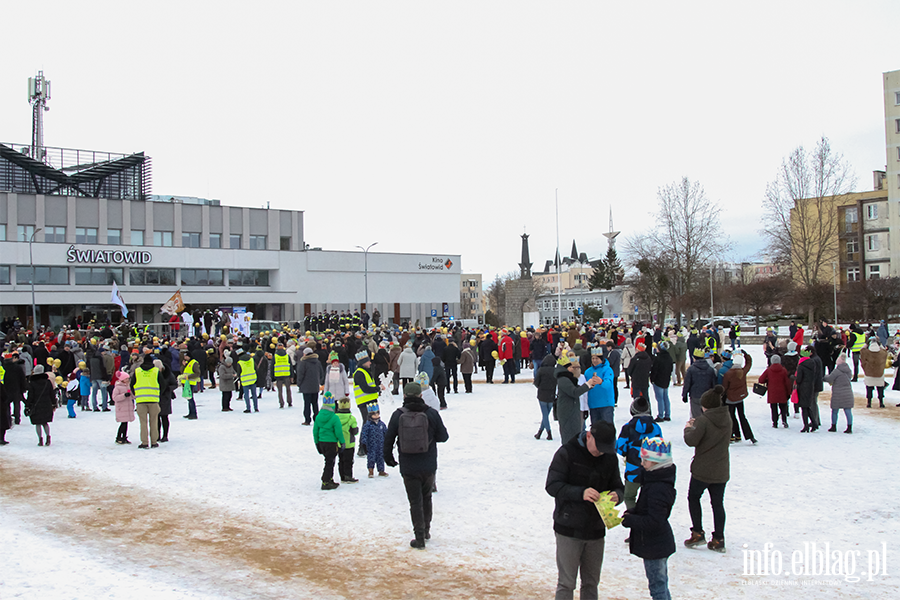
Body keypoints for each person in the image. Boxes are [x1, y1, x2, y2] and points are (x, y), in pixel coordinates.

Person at [545, 420, 624, 600]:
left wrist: (617, 495)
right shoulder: (567, 453)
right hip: (568, 529)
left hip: (596, 530)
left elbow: (619, 486)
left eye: (606, 448)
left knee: (591, 583)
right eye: (599, 447)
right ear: (589, 436)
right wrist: (580, 493)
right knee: (566, 583)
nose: (601, 452)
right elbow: (552, 485)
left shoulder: (609, 457)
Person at [383, 382, 449, 549]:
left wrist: (388, 458)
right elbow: (443, 437)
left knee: (414, 501)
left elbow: (389, 439)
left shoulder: (398, 415)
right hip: (428, 464)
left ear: (404, 396)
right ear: (421, 395)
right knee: (426, 497)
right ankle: (426, 530)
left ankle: (418, 537)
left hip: (408, 465)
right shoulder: (431, 413)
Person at [622, 437, 676, 600]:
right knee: (660, 584)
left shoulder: (657, 487)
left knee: (657, 586)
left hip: (655, 545)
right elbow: (651, 510)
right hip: (656, 543)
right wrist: (634, 512)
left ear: (654, 462)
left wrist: (631, 521)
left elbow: (654, 520)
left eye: (645, 460)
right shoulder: (656, 481)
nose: (642, 463)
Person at [683, 384, 731, 552]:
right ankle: (719, 538)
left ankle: (697, 532)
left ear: (706, 406)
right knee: (718, 503)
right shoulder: (726, 417)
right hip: (721, 468)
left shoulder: (703, 421)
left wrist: (688, 428)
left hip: (703, 469)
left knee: (693, 498)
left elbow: (691, 441)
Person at [615, 395, 662, 513]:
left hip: (633, 470)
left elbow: (620, 449)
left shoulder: (627, 428)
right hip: (652, 470)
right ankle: (648, 518)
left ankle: (634, 517)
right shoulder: (656, 427)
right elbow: (660, 450)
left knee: (629, 496)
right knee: (650, 497)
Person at [555, 353, 599, 445]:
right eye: (573, 367)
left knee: (576, 434)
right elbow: (574, 392)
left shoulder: (569, 378)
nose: (575, 369)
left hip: (573, 410)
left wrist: (589, 385)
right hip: (568, 412)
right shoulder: (563, 379)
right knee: (569, 437)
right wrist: (587, 384)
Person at [130, 354, 165, 449]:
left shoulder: (137, 371)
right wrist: (158, 394)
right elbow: (163, 384)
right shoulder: (156, 371)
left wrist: (136, 394)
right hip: (153, 400)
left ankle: (144, 442)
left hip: (141, 400)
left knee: (143, 423)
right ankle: (154, 441)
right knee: (154, 422)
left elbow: (132, 384)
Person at [312, 392, 345, 490]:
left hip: (322, 442)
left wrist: (317, 443)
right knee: (330, 462)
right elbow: (338, 431)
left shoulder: (318, 417)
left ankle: (329, 479)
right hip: (331, 443)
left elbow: (315, 431)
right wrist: (342, 442)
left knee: (328, 461)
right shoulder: (334, 417)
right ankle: (326, 481)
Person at [721, 351, 755, 444]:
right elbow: (749, 363)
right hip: (740, 398)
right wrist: (746, 355)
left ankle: (732, 435)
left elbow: (725, 386)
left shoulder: (728, 374)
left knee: (731, 417)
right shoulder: (743, 372)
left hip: (730, 398)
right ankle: (750, 436)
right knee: (742, 417)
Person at [25, 365, 56, 446]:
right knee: (45, 423)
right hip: (47, 404)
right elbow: (52, 394)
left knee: (38, 423)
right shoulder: (47, 382)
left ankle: (40, 440)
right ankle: (48, 437)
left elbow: (30, 396)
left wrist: (27, 405)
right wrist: (54, 403)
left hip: (36, 405)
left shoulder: (32, 383)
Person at [584, 347, 615, 425]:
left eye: (597, 358)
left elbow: (608, 384)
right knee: (596, 430)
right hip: (593, 404)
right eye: (593, 358)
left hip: (606, 404)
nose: (594, 360)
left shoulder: (607, 370)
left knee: (607, 428)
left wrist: (601, 382)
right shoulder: (588, 372)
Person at [682, 349, 716, 419]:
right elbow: (714, 383)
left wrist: (684, 394)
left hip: (695, 395)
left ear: (694, 358)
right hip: (707, 396)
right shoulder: (710, 369)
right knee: (707, 416)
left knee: (696, 416)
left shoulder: (691, 369)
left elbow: (687, 383)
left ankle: (697, 429)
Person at [759, 354, 790, 428]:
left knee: (773, 408)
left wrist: (767, 380)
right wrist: (789, 392)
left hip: (772, 392)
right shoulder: (783, 370)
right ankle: (784, 420)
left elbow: (761, 380)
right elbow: (787, 382)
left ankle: (775, 423)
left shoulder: (769, 370)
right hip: (782, 392)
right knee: (783, 407)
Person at [824, 354, 854, 433]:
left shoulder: (836, 371)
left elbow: (830, 378)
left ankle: (833, 426)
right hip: (848, 393)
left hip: (837, 393)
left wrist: (823, 377)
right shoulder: (848, 370)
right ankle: (849, 427)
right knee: (848, 410)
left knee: (834, 410)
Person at [359, 402, 389, 478]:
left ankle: (381, 470)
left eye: (377, 414)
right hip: (371, 445)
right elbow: (364, 433)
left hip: (380, 444)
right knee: (371, 458)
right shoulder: (368, 425)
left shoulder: (381, 424)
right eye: (374, 414)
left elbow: (386, 432)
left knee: (380, 458)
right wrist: (364, 443)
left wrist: (388, 440)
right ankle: (371, 470)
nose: (376, 416)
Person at [297, 347, 325, 425]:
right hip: (315, 386)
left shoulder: (304, 362)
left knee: (307, 404)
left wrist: (299, 383)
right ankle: (317, 418)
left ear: (305, 354)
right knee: (315, 403)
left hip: (306, 387)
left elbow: (300, 374)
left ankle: (307, 420)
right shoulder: (317, 362)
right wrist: (320, 382)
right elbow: (321, 373)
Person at [335, 397, 359, 483]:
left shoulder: (335, 417)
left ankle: (342, 476)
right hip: (349, 443)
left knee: (341, 460)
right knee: (349, 460)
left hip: (338, 443)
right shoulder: (351, 418)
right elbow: (355, 431)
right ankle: (348, 476)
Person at [533, 355, 557, 440]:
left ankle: (548, 433)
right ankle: (539, 433)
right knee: (546, 415)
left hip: (542, 394)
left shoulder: (541, 370)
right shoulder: (555, 371)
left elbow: (536, 382)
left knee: (545, 415)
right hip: (551, 394)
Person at [650, 342, 674, 422]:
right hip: (666, 379)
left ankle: (660, 415)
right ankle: (667, 414)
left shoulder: (658, 358)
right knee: (665, 397)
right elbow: (671, 369)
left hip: (658, 380)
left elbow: (655, 370)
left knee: (660, 398)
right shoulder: (669, 357)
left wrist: (652, 379)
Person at [860, 340, 887, 408]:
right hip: (879, 374)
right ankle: (881, 402)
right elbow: (885, 351)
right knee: (880, 388)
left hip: (869, 374)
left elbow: (862, 351)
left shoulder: (867, 353)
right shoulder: (881, 353)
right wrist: (880, 344)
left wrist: (866, 344)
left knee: (869, 388)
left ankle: (869, 403)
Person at [112, 370, 134, 444]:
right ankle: (118, 437)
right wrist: (124, 395)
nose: (128, 380)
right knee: (123, 423)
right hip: (121, 408)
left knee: (126, 423)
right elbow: (115, 398)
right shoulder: (117, 387)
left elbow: (132, 395)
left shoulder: (128, 386)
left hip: (127, 408)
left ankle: (124, 437)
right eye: (126, 379)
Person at [271, 342, 293, 408]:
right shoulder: (287, 356)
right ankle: (289, 402)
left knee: (280, 391)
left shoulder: (275, 356)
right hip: (286, 374)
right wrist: (292, 376)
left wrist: (272, 377)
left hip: (278, 375)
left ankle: (281, 403)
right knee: (288, 389)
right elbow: (290, 366)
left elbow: (272, 367)